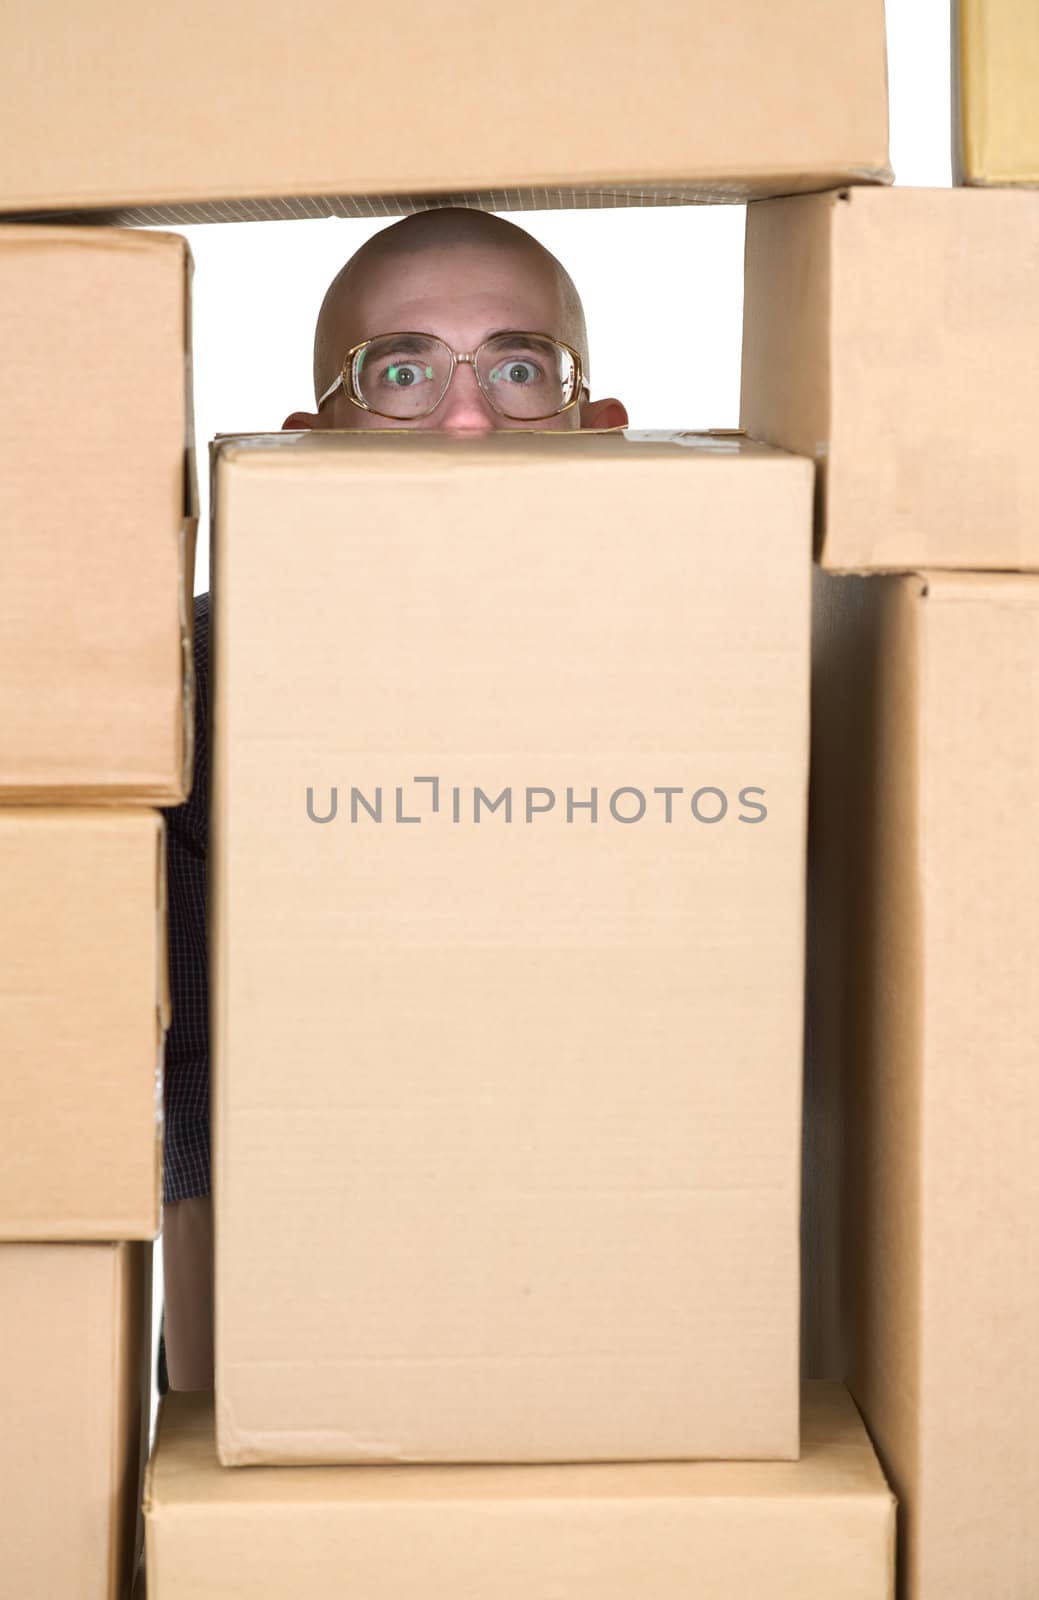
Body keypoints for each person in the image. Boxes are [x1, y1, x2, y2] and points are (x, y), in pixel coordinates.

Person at [161, 206, 629, 1390]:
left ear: (601, 430)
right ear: (310, 437)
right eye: (404, 370)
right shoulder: (185, 698)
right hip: (293, 1318)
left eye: (519, 368)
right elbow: (170, 1067)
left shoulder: (723, 684)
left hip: (631, 1289)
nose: (466, 416)